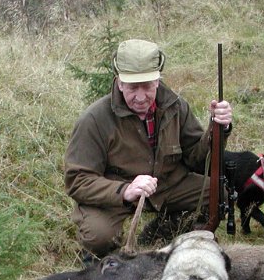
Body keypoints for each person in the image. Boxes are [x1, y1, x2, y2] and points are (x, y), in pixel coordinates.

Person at [64, 39, 233, 260]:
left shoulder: (175, 106)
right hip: (116, 195)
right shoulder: (94, 119)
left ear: (157, 80)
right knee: (99, 237)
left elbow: (197, 160)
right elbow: (77, 180)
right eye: (133, 88)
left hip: (166, 185)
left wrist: (217, 129)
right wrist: (124, 191)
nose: (141, 97)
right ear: (119, 83)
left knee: (217, 192)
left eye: (148, 86)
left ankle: (160, 235)